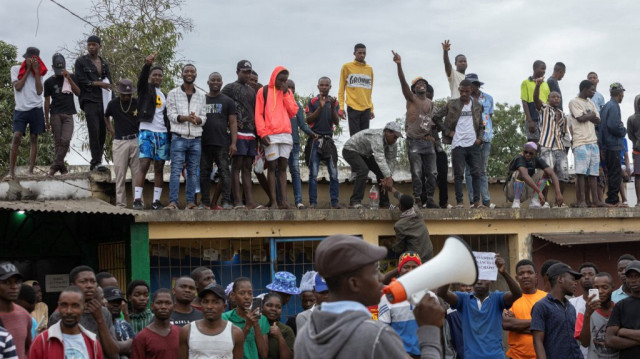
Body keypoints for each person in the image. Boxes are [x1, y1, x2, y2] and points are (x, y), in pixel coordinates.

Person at [295, 234, 444, 358]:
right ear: (354, 283)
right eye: (374, 272)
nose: (381, 277)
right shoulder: (376, 336)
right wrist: (429, 330)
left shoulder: (305, 335)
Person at [437, 254, 522, 358]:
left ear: (491, 280)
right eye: (476, 278)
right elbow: (441, 293)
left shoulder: (497, 298)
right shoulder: (464, 300)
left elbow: (517, 294)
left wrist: (504, 273)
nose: (479, 281)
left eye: (484, 277)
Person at [391, 50, 437, 208]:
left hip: (427, 142)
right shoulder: (412, 98)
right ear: (414, 89)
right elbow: (403, 83)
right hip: (414, 142)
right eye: (418, 84)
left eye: (423, 83)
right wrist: (399, 65)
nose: (421, 85)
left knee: (432, 173)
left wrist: (431, 136)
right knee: (417, 173)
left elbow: (428, 122)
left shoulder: (430, 103)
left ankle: (430, 198)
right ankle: (418, 198)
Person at [47, 266, 118, 359]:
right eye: (83, 281)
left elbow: (113, 354)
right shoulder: (60, 315)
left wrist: (100, 319)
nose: (89, 285)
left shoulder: (104, 313)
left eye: (93, 281)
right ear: (72, 285)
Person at [433, 79, 484, 208]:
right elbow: (436, 117)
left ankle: (477, 202)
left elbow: (481, 125)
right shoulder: (452, 104)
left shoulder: (477, 105)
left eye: (467, 91)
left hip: (473, 144)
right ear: (459, 90)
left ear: (471, 90)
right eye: (462, 91)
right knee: (458, 175)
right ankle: (460, 203)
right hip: (458, 144)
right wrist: (447, 131)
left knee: (476, 173)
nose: (464, 94)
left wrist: (480, 138)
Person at [255, 66, 299, 209]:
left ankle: (283, 202)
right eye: (280, 80)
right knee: (272, 167)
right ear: (274, 78)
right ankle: (274, 201)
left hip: (286, 135)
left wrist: (286, 93)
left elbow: (293, 112)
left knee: (283, 167)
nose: (282, 83)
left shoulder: (287, 92)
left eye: (285, 80)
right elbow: (258, 114)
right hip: (270, 135)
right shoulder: (264, 91)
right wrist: (262, 133)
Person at [166, 64, 207, 210]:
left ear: (196, 74)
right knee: (176, 171)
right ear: (182, 74)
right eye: (186, 71)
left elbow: (204, 116)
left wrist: (198, 120)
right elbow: (170, 115)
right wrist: (186, 118)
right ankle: (173, 202)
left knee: (193, 172)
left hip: (196, 138)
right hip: (179, 137)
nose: (189, 73)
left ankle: (190, 202)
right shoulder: (173, 93)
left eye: (192, 71)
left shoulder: (201, 95)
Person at [133, 52, 170, 210]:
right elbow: (140, 80)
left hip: (161, 133)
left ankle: (156, 201)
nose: (157, 78)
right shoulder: (144, 89)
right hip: (147, 130)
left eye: (160, 76)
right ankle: (136, 200)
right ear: (150, 76)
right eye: (154, 75)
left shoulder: (164, 95)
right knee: (144, 164)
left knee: (159, 167)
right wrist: (147, 64)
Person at [379, 252, 433, 358]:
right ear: (399, 270)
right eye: (406, 267)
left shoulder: (430, 297)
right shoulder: (387, 298)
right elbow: (383, 333)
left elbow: (435, 331)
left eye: (414, 267)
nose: (410, 271)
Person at [222, 60, 260, 209]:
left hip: (251, 133)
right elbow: (221, 103)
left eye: (249, 72)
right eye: (244, 72)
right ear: (237, 72)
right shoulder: (230, 88)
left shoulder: (252, 91)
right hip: (237, 133)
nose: (247, 74)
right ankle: (237, 201)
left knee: (247, 168)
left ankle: (249, 201)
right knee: (236, 166)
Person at [29, 286, 104, 359]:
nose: (69, 311)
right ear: (58, 306)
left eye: (75, 306)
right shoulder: (41, 341)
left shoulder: (93, 343)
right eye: (64, 305)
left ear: (83, 307)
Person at [342, 122, 402, 208]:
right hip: (350, 150)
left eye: (397, 138)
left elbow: (391, 161)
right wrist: (388, 177)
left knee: (382, 173)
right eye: (394, 137)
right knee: (363, 170)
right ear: (387, 132)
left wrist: (388, 176)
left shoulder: (393, 144)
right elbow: (380, 158)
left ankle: (384, 203)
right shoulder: (377, 137)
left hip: (365, 154)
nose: (395, 140)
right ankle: (355, 202)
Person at [75, 36, 113, 172]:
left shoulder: (104, 63)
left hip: (103, 101)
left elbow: (109, 82)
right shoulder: (81, 62)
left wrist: (112, 104)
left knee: (102, 132)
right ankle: (95, 162)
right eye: (89, 45)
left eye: (94, 45)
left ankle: (99, 161)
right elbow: (80, 80)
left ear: (99, 46)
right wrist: (98, 83)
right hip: (89, 100)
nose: (91, 47)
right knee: (94, 130)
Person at [199, 72, 237, 210]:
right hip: (203, 142)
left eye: (218, 80)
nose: (215, 82)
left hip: (222, 143)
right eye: (212, 80)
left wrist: (233, 143)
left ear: (221, 83)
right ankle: (205, 202)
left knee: (224, 172)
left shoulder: (228, 101)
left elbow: (233, 123)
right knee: (204, 172)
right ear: (208, 83)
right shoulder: (201, 100)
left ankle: (225, 201)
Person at [7, 46, 45, 180]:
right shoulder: (16, 69)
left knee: (34, 138)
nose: (31, 60)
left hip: (36, 108)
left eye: (34, 59)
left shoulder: (39, 73)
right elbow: (17, 87)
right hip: (21, 109)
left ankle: (30, 170)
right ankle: (11, 172)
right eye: (29, 58)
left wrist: (35, 71)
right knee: (16, 137)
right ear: (25, 58)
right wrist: (28, 70)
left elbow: (40, 91)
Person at [531, 263, 583, 359]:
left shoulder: (570, 307)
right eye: (572, 279)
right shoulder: (541, 306)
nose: (576, 283)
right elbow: (537, 341)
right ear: (560, 279)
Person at [179, 283, 243, 359]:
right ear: (201, 305)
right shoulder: (187, 331)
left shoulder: (235, 333)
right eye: (205, 301)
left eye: (215, 302)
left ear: (224, 307)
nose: (209, 306)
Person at [305, 77, 341, 209]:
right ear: (318, 86)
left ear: (330, 87)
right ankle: (313, 203)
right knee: (313, 174)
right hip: (315, 140)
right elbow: (308, 120)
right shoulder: (312, 101)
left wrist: (331, 107)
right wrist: (320, 108)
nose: (324, 87)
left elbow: (336, 122)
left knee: (334, 173)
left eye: (327, 85)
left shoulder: (334, 102)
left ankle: (335, 202)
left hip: (328, 141)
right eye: (322, 85)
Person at [533, 77, 570, 206]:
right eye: (553, 97)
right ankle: (545, 200)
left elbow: (563, 133)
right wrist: (537, 86)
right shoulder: (544, 108)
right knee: (546, 174)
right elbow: (536, 100)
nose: (556, 99)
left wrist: (565, 149)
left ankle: (558, 201)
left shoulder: (563, 115)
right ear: (548, 99)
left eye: (558, 97)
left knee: (564, 176)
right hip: (546, 146)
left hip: (559, 147)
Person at [104, 79, 140, 207]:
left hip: (136, 140)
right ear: (119, 93)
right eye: (124, 94)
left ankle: (138, 202)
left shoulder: (137, 102)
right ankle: (120, 204)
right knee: (120, 174)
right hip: (119, 142)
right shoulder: (113, 104)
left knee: (137, 175)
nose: (126, 96)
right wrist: (111, 130)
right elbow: (106, 116)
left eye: (129, 94)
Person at [44, 53, 80, 176]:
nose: (60, 72)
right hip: (55, 114)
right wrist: (47, 120)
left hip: (68, 113)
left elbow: (79, 92)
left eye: (62, 69)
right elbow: (47, 101)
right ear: (52, 67)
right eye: (57, 69)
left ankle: (54, 167)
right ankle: (63, 169)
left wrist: (68, 78)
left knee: (66, 140)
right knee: (58, 143)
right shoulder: (48, 82)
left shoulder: (71, 77)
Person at [569, 80, 604, 208]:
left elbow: (598, 120)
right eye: (592, 89)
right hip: (581, 142)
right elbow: (580, 118)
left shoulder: (591, 103)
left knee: (593, 174)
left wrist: (588, 115)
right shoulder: (574, 102)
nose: (594, 92)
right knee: (581, 173)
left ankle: (596, 200)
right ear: (584, 89)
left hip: (593, 142)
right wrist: (590, 115)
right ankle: (581, 201)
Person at [503, 259, 547, 359]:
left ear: (536, 276)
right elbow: (507, 324)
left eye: (529, 273)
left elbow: (550, 327)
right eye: (521, 273)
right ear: (516, 278)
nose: (525, 276)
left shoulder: (547, 298)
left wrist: (517, 325)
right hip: (515, 356)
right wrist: (539, 323)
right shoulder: (509, 298)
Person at [283, 79, 314, 209]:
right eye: (288, 87)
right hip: (282, 142)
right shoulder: (279, 103)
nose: (291, 89)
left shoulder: (297, 106)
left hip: (294, 144)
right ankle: (282, 200)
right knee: (280, 171)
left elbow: (302, 125)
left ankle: (299, 201)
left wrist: (312, 133)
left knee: (295, 171)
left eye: (293, 87)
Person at [464, 73, 494, 208]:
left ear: (477, 85)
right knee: (469, 171)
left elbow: (489, 117)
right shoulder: (464, 100)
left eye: (472, 84)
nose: (470, 87)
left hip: (486, 137)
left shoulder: (488, 98)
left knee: (482, 170)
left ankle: (486, 201)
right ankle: (473, 202)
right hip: (469, 139)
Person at [221, 278, 269, 359]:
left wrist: (256, 323)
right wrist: (247, 326)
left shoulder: (262, 319)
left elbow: (264, 354)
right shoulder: (225, 318)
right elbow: (228, 351)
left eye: (250, 293)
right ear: (233, 295)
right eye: (242, 293)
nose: (247, 297)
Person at [507, 142, 564, 208]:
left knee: (545, 173)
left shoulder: (537, 160)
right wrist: (539, 191)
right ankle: (516, 201)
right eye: (525, 152)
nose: (527, 154)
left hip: (526, 191)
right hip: (511, 191)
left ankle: (534, 200)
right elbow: (524, 175)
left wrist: (558, 193)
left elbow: (552, 174)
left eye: (531, 153)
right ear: (523, 151)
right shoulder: (519, 158)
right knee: (521, 173)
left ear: (535, 154)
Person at [578, 272, 619, 358]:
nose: (600, 291)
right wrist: (587, 315)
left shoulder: (620, 309)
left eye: (605, 287)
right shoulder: (584, 310)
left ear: (612, 288)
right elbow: (584, 343)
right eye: (596, 288)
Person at [131, 289, 179, 359]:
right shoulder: (141, 337)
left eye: (168, 303)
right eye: (159, 303)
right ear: (152, 306)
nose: (163, 307)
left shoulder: (181, 333)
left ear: (174, 307)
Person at [605, 260, 640, 358]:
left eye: (637, 276)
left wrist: (623, 332)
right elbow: (609, 340)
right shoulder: (621, 306)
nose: (633, 280)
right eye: (630, 277)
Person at [600, 83, 627, 207]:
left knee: (611, 172)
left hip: (606, 145)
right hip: (613, 144)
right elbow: (613, 126)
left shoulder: (605, 106)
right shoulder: (614, 106)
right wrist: (623, 130)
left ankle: (611, 198)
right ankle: (613, 199)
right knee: (615, 173)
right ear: (620, 94)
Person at [338, 43, 374, 136]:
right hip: (353, 107)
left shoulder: (369, 69)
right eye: (360, 53)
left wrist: (371, 109)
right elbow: (341, 89)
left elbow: (369, 91)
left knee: (364, 138)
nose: (362, 55)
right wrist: (341, 107)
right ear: (354, 53)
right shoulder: (347, 67)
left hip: (366, 108)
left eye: (364, 53)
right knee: (355, 138)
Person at [389, 190, 433, 261]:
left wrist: (390, 246)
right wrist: (391, 189)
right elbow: (402, 196)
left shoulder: (400, 225)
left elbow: (399, 248)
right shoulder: (416, 210)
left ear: (400, 207)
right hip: (429, 254)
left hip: (416, 259)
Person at [0, 263, 31, 359]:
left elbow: (28, 349)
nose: (14, 287)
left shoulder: (24, 315)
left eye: (17, 282)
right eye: (7, 282)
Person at [569, 262, 599, 358]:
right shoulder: (572, 303)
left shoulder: (606, 304)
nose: (587, 277)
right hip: (579, 354)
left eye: (590, 274)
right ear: (578, 280)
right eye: (583, 275)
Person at [521, 60, 549, 143]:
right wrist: (529, 121)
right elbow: (524, 102)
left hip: (544, 118)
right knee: (533, 144)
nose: (544, 71)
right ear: (535, 68)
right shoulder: (526, 83)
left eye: (545, 69)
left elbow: (547, 102)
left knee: (544, 143)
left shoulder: (545, 84)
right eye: (542, 69)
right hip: (533, 118)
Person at [103, 286, 134, 357]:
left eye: (119, 302)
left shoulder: (124, 325)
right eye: (112, 302)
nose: (116, 305)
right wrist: (127, 344)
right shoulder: (96, 325)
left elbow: (134, 347)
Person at [261, 293, 294, 359]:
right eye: (269, 305)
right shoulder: (254, 326)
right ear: (262, 307)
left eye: (278, 307)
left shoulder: (286, 331)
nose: (274, 309)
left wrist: (279, 337)